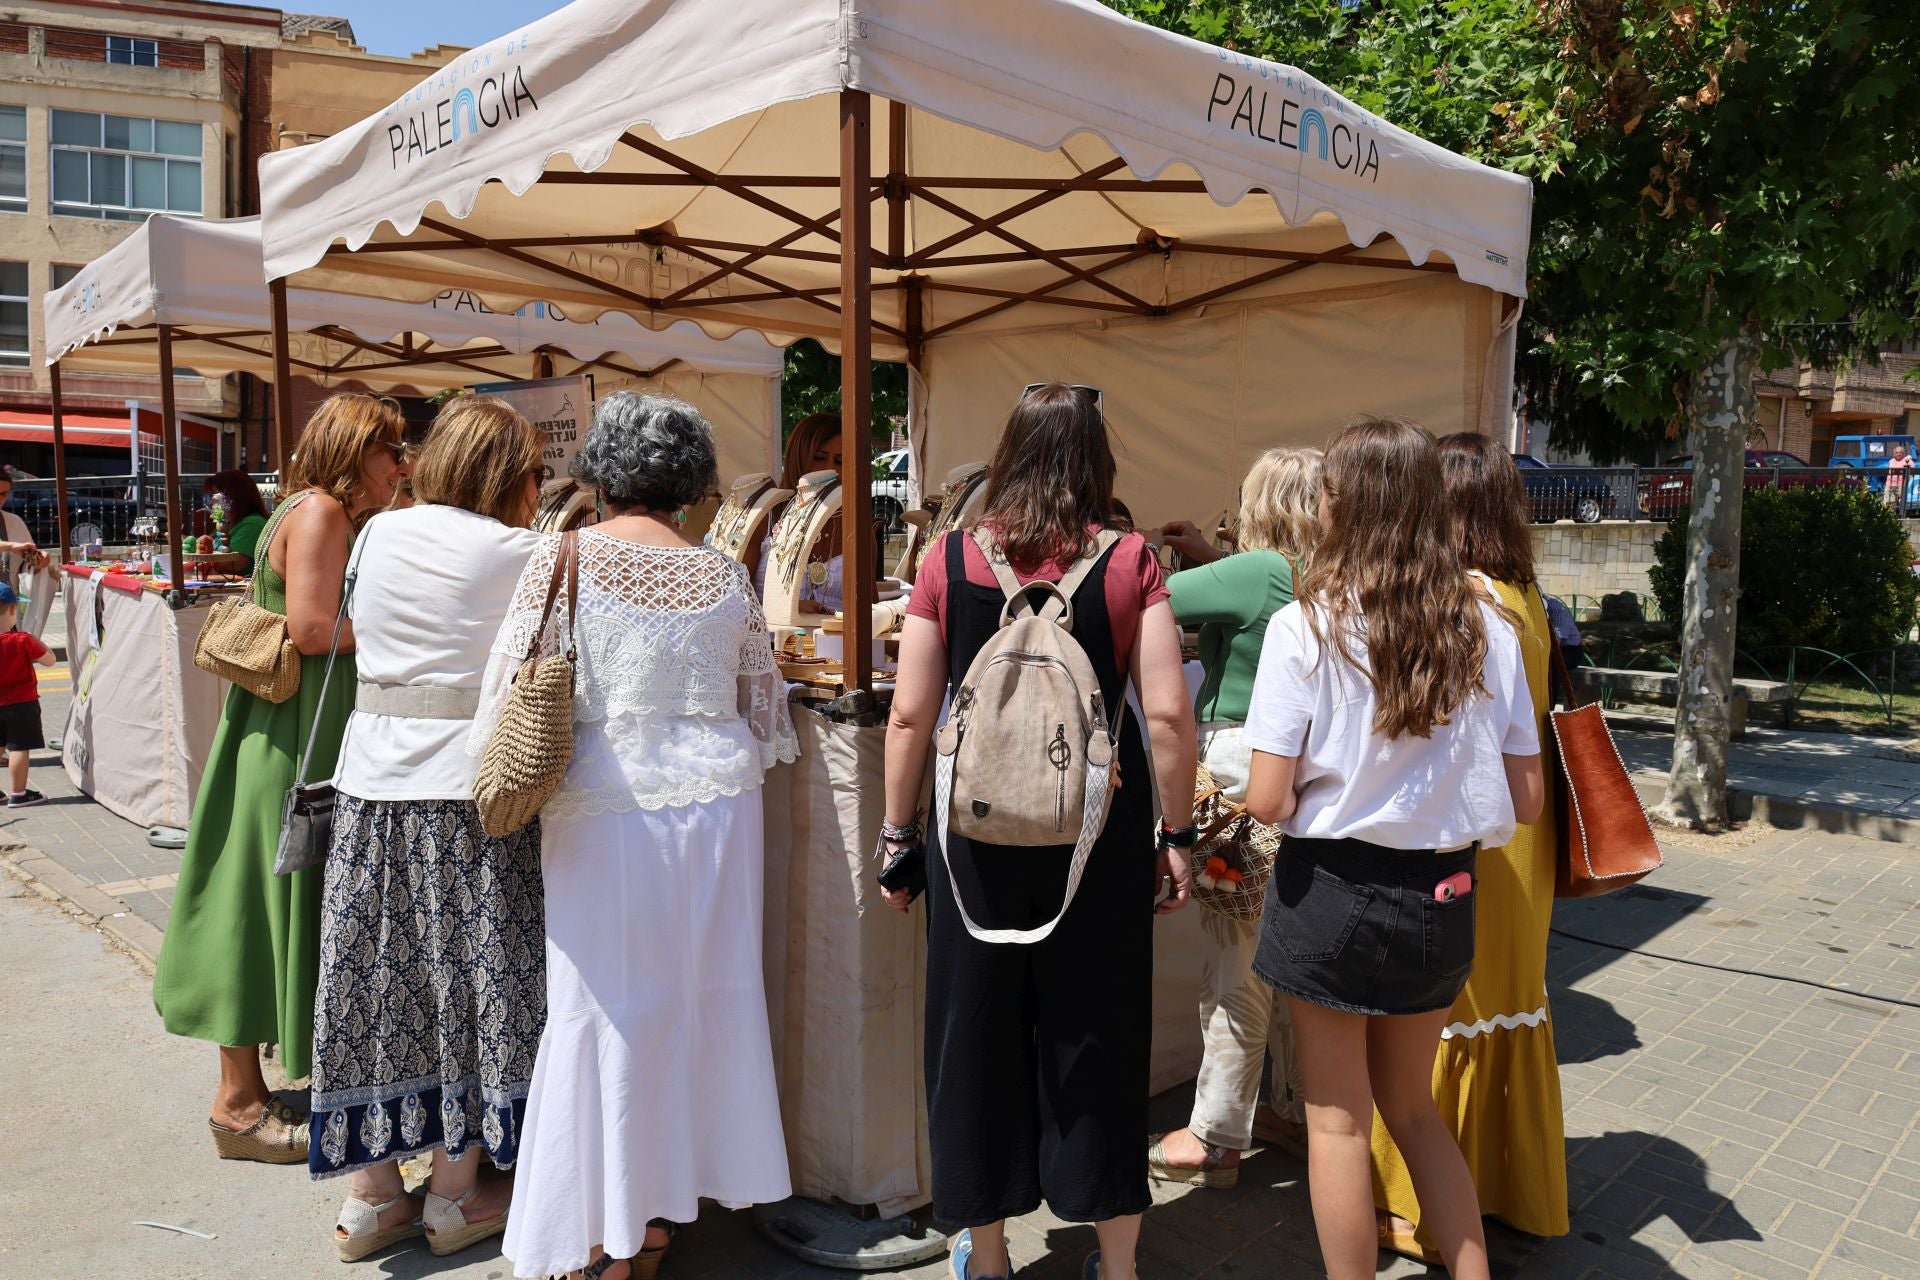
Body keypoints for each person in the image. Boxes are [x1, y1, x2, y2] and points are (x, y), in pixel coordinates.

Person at [880, 382, 1199, 1280]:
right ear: (1099, 459)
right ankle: (1119, 1261)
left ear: (1010, 452)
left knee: (972, 1034)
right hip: (1096, 839)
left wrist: (897, 838)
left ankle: (986, 1258)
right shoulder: (1132, 560)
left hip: (973, 841)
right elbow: (1169, 717)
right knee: (1097, 1033)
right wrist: (1176, 838)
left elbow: (910, 716)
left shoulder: (949, 561)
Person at [483, 392, 798, 1280]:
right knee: (695, 1001)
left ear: (604, 472)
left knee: (606, 1007)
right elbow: (766, 714)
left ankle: (602, 1239)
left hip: (606, 804)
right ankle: (656, 1214)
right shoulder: (723, 572)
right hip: (716, 806)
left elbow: (508, 688)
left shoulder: (565, 556)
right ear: (690, 480)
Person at [1241, 416, 1543, 1280]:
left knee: (1337, 1121)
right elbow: (1524, 799)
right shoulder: (1488, 622)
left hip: (1330, 890)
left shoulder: (1307, 627)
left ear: (1340, 505)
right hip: (1445, 895)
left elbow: (1267, 797)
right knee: (1415, 1111)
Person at [307, 398, 550, 1261]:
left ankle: (371, 1199)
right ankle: (454, 1195)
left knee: (378, 982)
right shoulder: (527, 552)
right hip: (470, 795)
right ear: (508, 472)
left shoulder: (379, 533)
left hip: (370, 784)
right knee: (474, 989)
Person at [152, 393, 410, 1164]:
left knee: (255, 903)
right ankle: (237, 1105)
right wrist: (415, 633)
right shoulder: (326, 512)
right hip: (298, 731)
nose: (401, 463)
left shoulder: (299, 506)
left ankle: (248, 1093)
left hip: (273, 729)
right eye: (388, 449)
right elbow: (310, 629)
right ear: (350, 452)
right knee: (264, 904)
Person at [1370, 432, 1569, 1261]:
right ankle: (1505, 1187)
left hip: (1474, 833)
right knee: (1508, 1002)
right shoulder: (1524, 591)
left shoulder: (1466, 599)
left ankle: (1418, 1204)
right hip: (1529, 830)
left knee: (1449, 1012)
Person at [1147, 448, 1323, 1190]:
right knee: (1279, 963)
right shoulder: (1316, 577)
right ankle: (1284, 1107)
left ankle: (1215, 1132)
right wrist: (1210, 553)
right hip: (1295, 777)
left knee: (1233, 963)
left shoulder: (1260, 572)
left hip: (1239, 774)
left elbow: (1147, 593)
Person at [752, 411, 844, 611]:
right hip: (770, 641)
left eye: (840, 461)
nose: (830, 469)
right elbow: (730, 602)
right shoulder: (764, 515)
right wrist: (789, 608)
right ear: (798, 457)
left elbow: (872, 609)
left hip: (839, 642)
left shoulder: (855, 527)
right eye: (819, 457)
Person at [0, 580, 54, 807]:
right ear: (13, 610)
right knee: (19, 747)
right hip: (21, 704)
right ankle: (18, 793)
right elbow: (50, 660)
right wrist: (37, 640)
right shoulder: (22, 640)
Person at [204, 470, 271, 564]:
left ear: (236, 496)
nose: (212, 502)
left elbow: (227, 565)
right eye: (211, 496)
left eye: (218, 497)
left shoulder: (252, 524)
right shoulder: (227, 523)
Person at [0, 467, 47, 599]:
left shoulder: (15, 521)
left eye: (3, 494)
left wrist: (40, 559)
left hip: (8, 607)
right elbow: (13, 547)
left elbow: (27, 560)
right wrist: (10, 546)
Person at [1886, 442, 1914, 515]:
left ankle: (1902, 517)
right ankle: (1890, 518)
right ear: (1894, 453)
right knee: (1890, 503)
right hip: (1891, 484)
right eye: (1897, 452)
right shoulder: (1891, 461)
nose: (1898, 454)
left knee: (1903, 503)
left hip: (1903, 485)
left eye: (1900, 452)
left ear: (1903, 453)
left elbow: (1912, 474)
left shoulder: (1908, 461)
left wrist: (1908, 485)